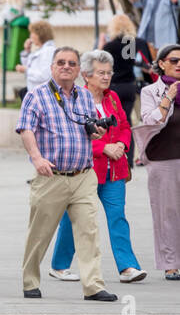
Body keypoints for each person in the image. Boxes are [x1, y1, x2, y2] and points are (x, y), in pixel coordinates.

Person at [15, 45, 116, 301]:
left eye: (72, 63)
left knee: (89, 231)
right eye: (61, 62)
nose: (66, 67)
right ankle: (30, 282)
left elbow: (88, 129)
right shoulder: (36, 96)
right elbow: (26, 129)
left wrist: (97, 132)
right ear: (52, 67)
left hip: (83, 175)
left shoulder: (84, 96)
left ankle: (93, 285)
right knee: (40, 233)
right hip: (52, 176)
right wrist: (37, 159)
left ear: (79, 70)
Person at [46, 50, 146, 283]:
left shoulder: (113, 98)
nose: (106, 77)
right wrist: (103, 148)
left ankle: (128, 267)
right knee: (75, 218)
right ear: (86, 75)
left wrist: (121, 143)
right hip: (86, 169)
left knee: (117, 217)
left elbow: (123, 124)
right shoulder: (75, 99)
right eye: (101, 73)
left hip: (115, 170)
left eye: (109, 72)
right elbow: (70, 135)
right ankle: (59, 265)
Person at [136, 44, 180, 280]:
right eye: (174, 60)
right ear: (161, 63)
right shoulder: (151, 92)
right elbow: (150, 122)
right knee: (167, 213)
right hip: (164, 158)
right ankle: (171, 264)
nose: (179, 64)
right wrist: (168, 98)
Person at [100, 14, 143, 123]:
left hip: (114, 86)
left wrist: (101, 45)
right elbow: (130, 62)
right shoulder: (132, 44)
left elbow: (98, 61)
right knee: (126, 120)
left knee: (115, 121)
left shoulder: (109, 46)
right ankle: (129, 140)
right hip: (129, 86)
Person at [15, 19, 57, 98]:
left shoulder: (48, 51)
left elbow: (45, 75)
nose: (30, 36)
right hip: (36, 94)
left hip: (43, 95)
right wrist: (27, 51)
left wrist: (26, 70)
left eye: (32, 33)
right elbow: (30, 66)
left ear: (39, 34)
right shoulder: (41, 50)